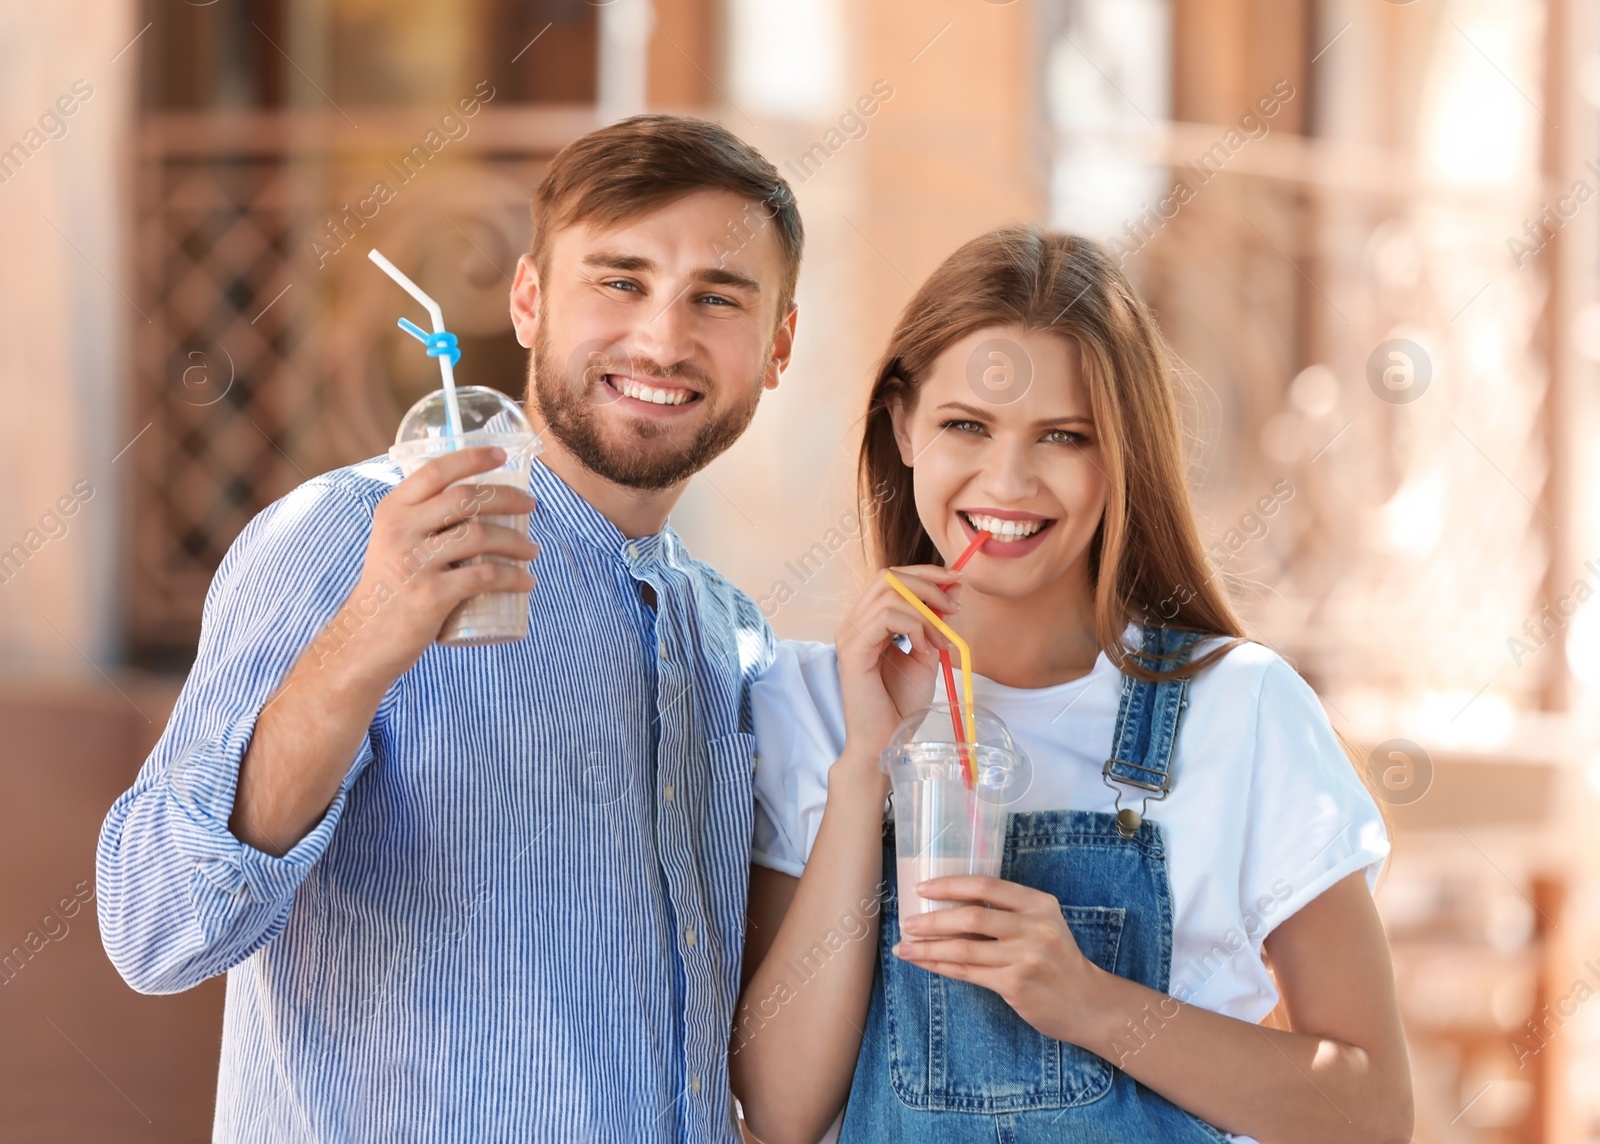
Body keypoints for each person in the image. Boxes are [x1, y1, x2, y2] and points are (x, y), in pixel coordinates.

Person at [96, 114, 801, 1143]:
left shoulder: (730, 637)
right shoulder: (342, 534)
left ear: (778, 346)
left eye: (718, 298)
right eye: (619, 279)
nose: (662, 337)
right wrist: (369, 636)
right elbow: (157, 925)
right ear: (527, 300)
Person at [729, 226, 1412, 1144]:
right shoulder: (807, 705)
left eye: (1063, 436)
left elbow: (1368, 1109)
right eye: (966, 425)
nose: (1007, 479)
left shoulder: (1240, 709)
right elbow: (779, 1114)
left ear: (1119, 452)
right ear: (903, 425)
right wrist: (866, 767)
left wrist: (1093, 1004)